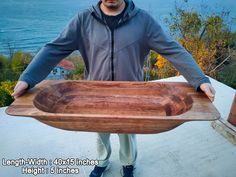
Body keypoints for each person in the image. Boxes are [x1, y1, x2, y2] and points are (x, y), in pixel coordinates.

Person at [12, 0, 215, 177]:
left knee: (128, 134)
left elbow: (172, 49)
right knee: (100, 132)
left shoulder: (144, 21)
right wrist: (28, 78)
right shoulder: (83, 20)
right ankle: (102, 162)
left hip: (133, 95)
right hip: (93, 95)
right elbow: (54, 49)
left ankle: (128, 164)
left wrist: (200, 79)